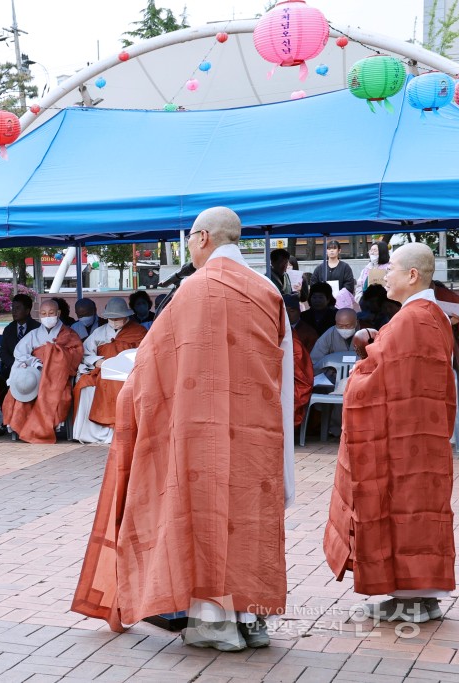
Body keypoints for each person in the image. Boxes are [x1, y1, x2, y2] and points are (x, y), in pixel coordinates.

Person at [73, 207, 293, 652]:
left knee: (206, 519)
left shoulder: (194, 289)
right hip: (258, 431)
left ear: (202, 237)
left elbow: (153, 362)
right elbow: (285, 369)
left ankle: (213, 622)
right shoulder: (268, 290)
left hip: (200, 433)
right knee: (246, 519)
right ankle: (252, 620)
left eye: (189, 239)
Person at [324, 243, 456, 624]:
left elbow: (379, 380)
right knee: (417, 510)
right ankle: (417, 598)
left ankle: (414, 600)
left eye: (392, 268)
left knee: (407, 511)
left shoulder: (413, 319)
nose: (385, 275)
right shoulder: (433, 315)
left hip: (405, 438)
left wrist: (359, 371)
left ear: (413, 275)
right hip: (421, 435)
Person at [2, 298, 82, 444]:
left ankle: (45, 428)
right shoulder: (33, 334)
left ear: (58, 313)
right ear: (39, 315)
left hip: (57, 377)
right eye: (44, 314)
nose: (47, 316)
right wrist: (34, 362)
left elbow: (76, 354)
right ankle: (22, 427)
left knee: (58, 394)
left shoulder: (69, 334)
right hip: (35, 374)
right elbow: (19, 353)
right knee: (23, 388)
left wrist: (55, 358)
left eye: (51, 313)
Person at [71, 297, 147, 445]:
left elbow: (144, 352)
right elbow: (85, 352)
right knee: (85, 384)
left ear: (126, 316)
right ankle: (94, 433)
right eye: (111, 318)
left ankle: (122, 428)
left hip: (129, 372)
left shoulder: (139, 332)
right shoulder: (99, 332)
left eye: (117, 318)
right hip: (103, 369)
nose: (114, 321)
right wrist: (97, 361)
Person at [287, 296, 314, 431]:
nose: (287, 314)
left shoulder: (305, 333)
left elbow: (304, 366)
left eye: (290, 310)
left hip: (293, 377)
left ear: (299, 311)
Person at [0, 294, 39, 379]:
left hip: (32, 369)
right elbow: (3, 352)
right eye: (13, 308)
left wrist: (27, 365)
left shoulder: (38, 329)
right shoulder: (8, 329)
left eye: (17, 308)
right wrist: (15, 364)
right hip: (12, 368)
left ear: (27, 311)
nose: (14, 311)